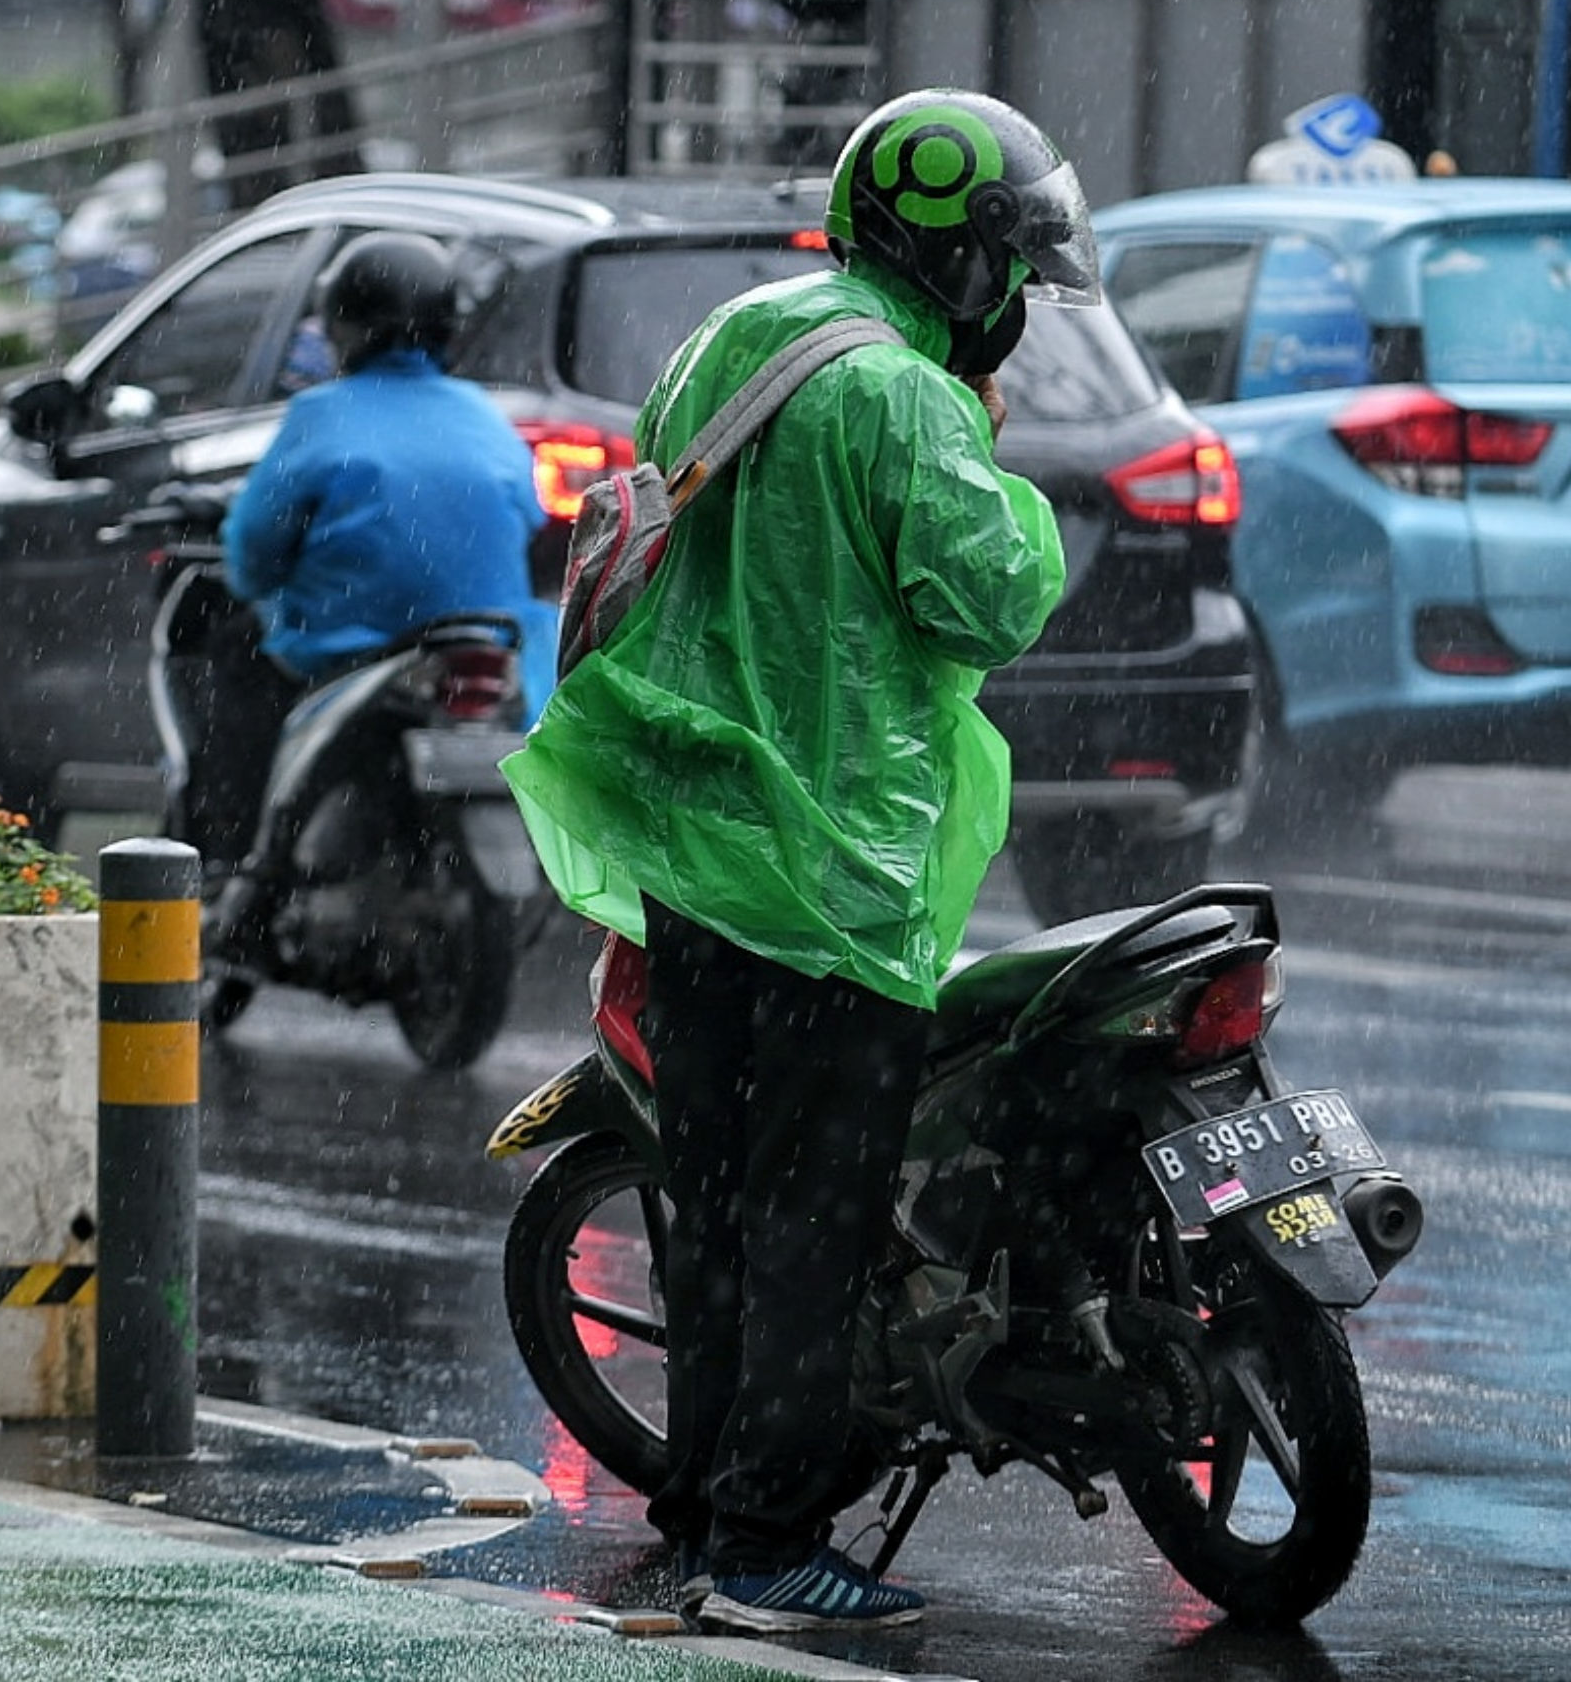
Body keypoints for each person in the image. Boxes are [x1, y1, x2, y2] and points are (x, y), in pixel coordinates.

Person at [500, 90, 1096, 1634]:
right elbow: (989, 599)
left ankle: (705, 1509)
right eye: (1008, 267)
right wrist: (1006, 481)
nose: (1015, 302)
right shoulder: (904, 396)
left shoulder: (736, 335)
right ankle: (767, 1549)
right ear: (956, 261)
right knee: (813, 1226)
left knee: (713, 1209)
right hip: (828, 869)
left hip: (701, 844)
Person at [186, 231, 550, 870]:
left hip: (357, 650)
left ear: (342, 326)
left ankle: (236, 863)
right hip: (493, 647)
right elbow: (527, 518)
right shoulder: (482, 414)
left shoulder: (320, 415)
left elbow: (252, 560)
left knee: (234, 655)